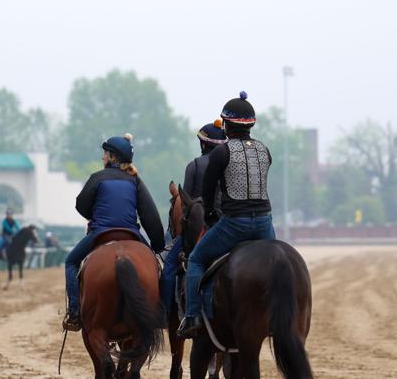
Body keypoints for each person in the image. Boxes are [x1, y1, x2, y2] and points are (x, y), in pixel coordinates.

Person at [178, 92, 275, 338]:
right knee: (276, 264)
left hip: (235, 225)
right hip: (264, 224)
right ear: (251, 124)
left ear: (227, 125)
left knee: (196, 259)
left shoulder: (221, 153)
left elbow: (209, 191)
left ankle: (192, 316)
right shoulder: (264, 150)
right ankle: (276, 316)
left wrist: (210, 213)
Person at [62, 133, 166, 331]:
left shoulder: (97, 177)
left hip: (100, 233)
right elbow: (150, 215)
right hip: (131, 234)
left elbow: (81, 205)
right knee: (156, 267)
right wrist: (158, 244)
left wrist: (94, 215)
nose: (103, 157)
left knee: (71, 262)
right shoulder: (135, 180)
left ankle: (74, 313)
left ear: (113, 157)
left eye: (105, 153)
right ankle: (160, 314)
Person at [161, 120, 227, 315]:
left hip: (198, 231)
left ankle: (166, 314)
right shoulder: (228, 165)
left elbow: (185, 204)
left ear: (203, 144)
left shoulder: (194, 166)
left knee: (169, 267)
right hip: (225, 227)